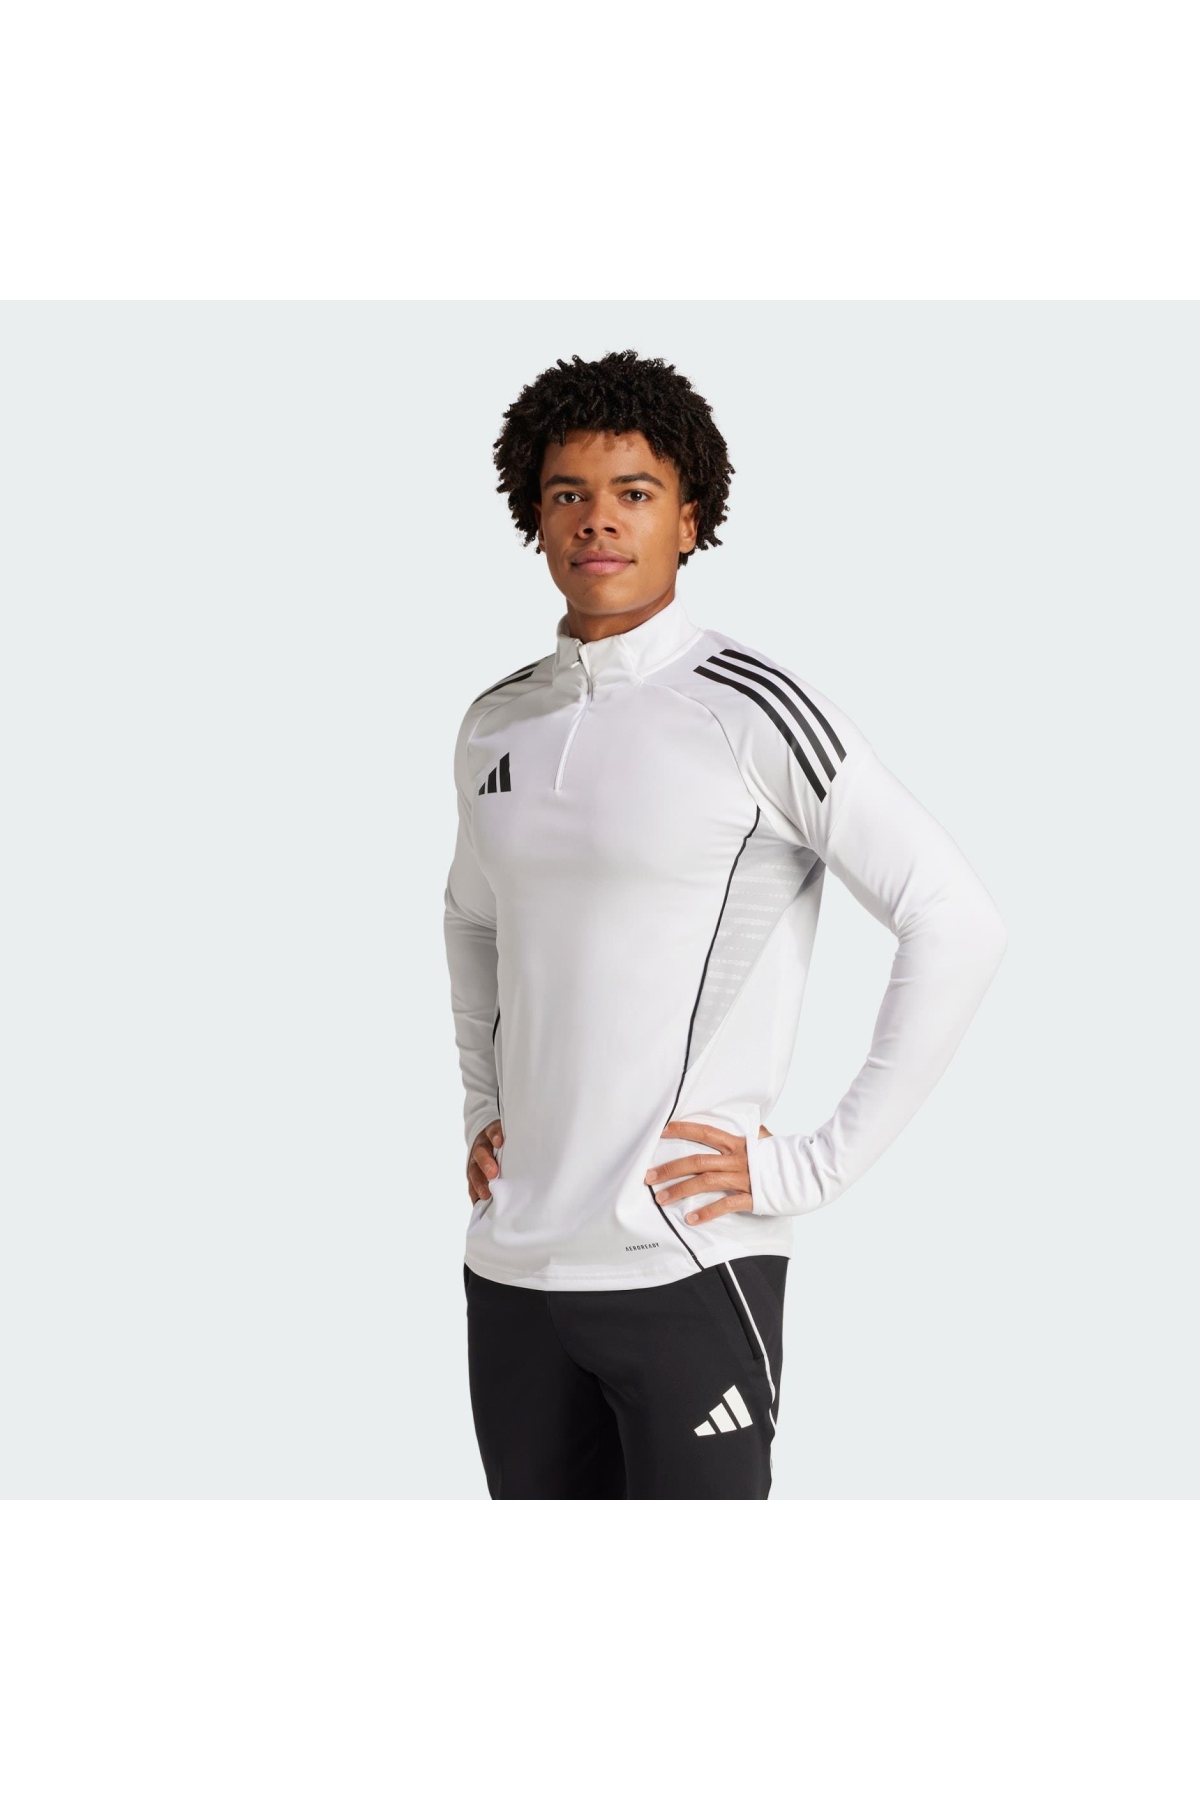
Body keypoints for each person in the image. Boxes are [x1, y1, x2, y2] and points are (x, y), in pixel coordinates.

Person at [442, 348, 1007, 1500]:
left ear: (690, 518)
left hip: (686, 1266)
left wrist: (810, 1168)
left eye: (635, 493)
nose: (598, 520)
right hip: (512, 1275)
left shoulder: (750, 710)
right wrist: (482, 1107)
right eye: (568, 493)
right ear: (536, 518)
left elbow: (955, 918)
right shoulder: (497, 722)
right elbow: (470, 915)